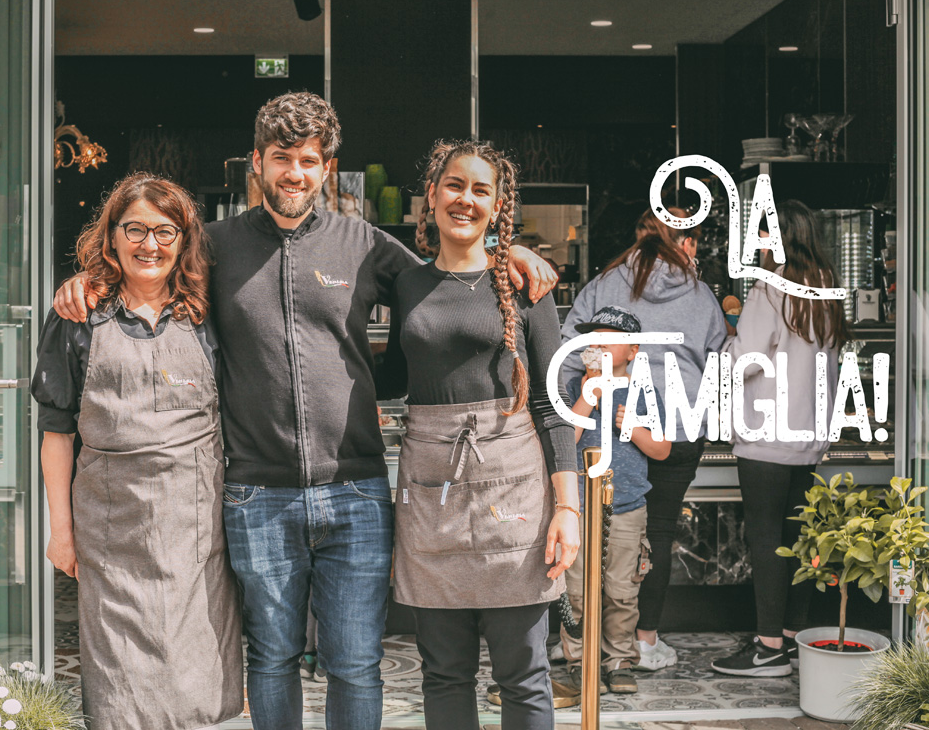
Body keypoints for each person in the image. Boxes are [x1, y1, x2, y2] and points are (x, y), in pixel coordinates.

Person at [51, 93, 559, 730]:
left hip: (357, 491)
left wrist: (511, 254)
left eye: (309, 160)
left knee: (354, 662)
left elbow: (449, 278)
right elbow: (145, 270)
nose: (295, 172)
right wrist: (87, 280)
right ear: (258, 163)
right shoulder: (213, 247)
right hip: (255, 494)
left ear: (327, 168)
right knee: (270, 658)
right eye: (282, 158)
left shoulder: (364, 245)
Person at [374, 140, 580, 730]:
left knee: (522, 675)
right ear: (432, 195)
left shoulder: (523, 285)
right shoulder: (407, 286)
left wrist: (567, 507)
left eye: (480, 190)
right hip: (431, 494)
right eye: (454, 185)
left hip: (514, 493)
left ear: (497, 206)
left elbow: (549, 401)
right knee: (443, 673)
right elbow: (391, 381)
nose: (465, 199)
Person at [32, 174, 242, 730]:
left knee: (197, 676)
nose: (150, 245)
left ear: (184, 239)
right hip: (111, 528)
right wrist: (61, 530)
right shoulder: (78, 317)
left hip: (196, 530)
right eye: (136, 230)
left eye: (165, 231)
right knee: (120, 683)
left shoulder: (210, 309)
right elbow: (56, 432)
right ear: (112, 238)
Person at [559, 206, 726, 671]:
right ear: (684, 242)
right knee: (657, 535)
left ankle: (584, 641)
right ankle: (644, 641)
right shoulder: (700, 294)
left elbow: (567, 351)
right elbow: (720, 360)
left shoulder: (606, 284)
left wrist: (578, 401)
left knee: (591, 538)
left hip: (602, 429)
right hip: (674, 430)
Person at [712, 200, 850, 676]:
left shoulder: (769, 290)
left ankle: (768, 649)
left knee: (767, 538)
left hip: (766, 434)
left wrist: (727, 339)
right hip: (808, 434)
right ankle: (792, 637)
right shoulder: (827, 290)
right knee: (796, 537)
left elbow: (746, 361)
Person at [560, 306, 670, 695]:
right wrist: (589, 399)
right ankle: (579, 660)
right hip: (577, 506)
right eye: (594, 336)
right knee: (575, 589)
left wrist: (634, 429)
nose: (600, 341)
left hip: (626, 506)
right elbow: (563, 442)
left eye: (610, 336)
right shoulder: (574, 387)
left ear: (633, 351)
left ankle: (619, 660)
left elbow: (661, 450)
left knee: (622, 591)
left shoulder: (646, 392)